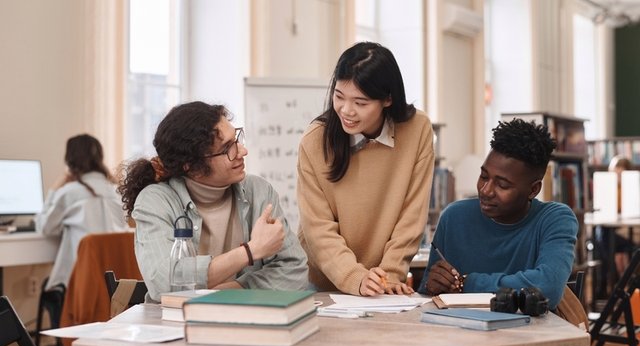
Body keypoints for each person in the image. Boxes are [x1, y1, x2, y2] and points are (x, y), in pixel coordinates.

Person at [119, 101, 308, 302]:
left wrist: (231, 291)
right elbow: (163, 283)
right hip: (176, 325)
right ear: (191, 166)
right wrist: (251, 251)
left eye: (236, 139)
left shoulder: (259, 191)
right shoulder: (155, 202)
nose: (242, 151)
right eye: (228, 148)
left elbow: (294, 270)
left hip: (248, 321)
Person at [297, 42, 435, 296]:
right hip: (323, 283)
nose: (346, 111)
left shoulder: (417, 129)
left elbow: (412, 214)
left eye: (360, 102)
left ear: (388, 99)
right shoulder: (315, 140)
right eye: (339, 97)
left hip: (383, 284)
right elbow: (317, 228)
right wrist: (355, 277)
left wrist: (391, 274)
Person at [418, 119, 578, 312]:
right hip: (460, 334)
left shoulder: (554, 219)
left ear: (533, 189)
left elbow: (548, 288)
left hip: (528, 335)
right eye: (484, 176)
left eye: (502, 185)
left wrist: (467, 283)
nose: (486, 191)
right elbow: (427, 295)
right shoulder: (454, 217)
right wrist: (432, 285)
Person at [35, 134, 128, 291]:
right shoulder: (115, 191)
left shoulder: (69, 192)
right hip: (116, 281)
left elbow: (45, 228)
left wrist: (53, 190)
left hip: (82, 282)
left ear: (70, 162)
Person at [593, 155, 634, 299]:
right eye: (614, 174)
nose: (617, 178)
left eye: (621, 174)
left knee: (603, 240)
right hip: (611, 230)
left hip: (626, 230)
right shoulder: (606, 188)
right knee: (602, 233)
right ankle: (614, 282)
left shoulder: (633, 189)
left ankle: (604, 286)